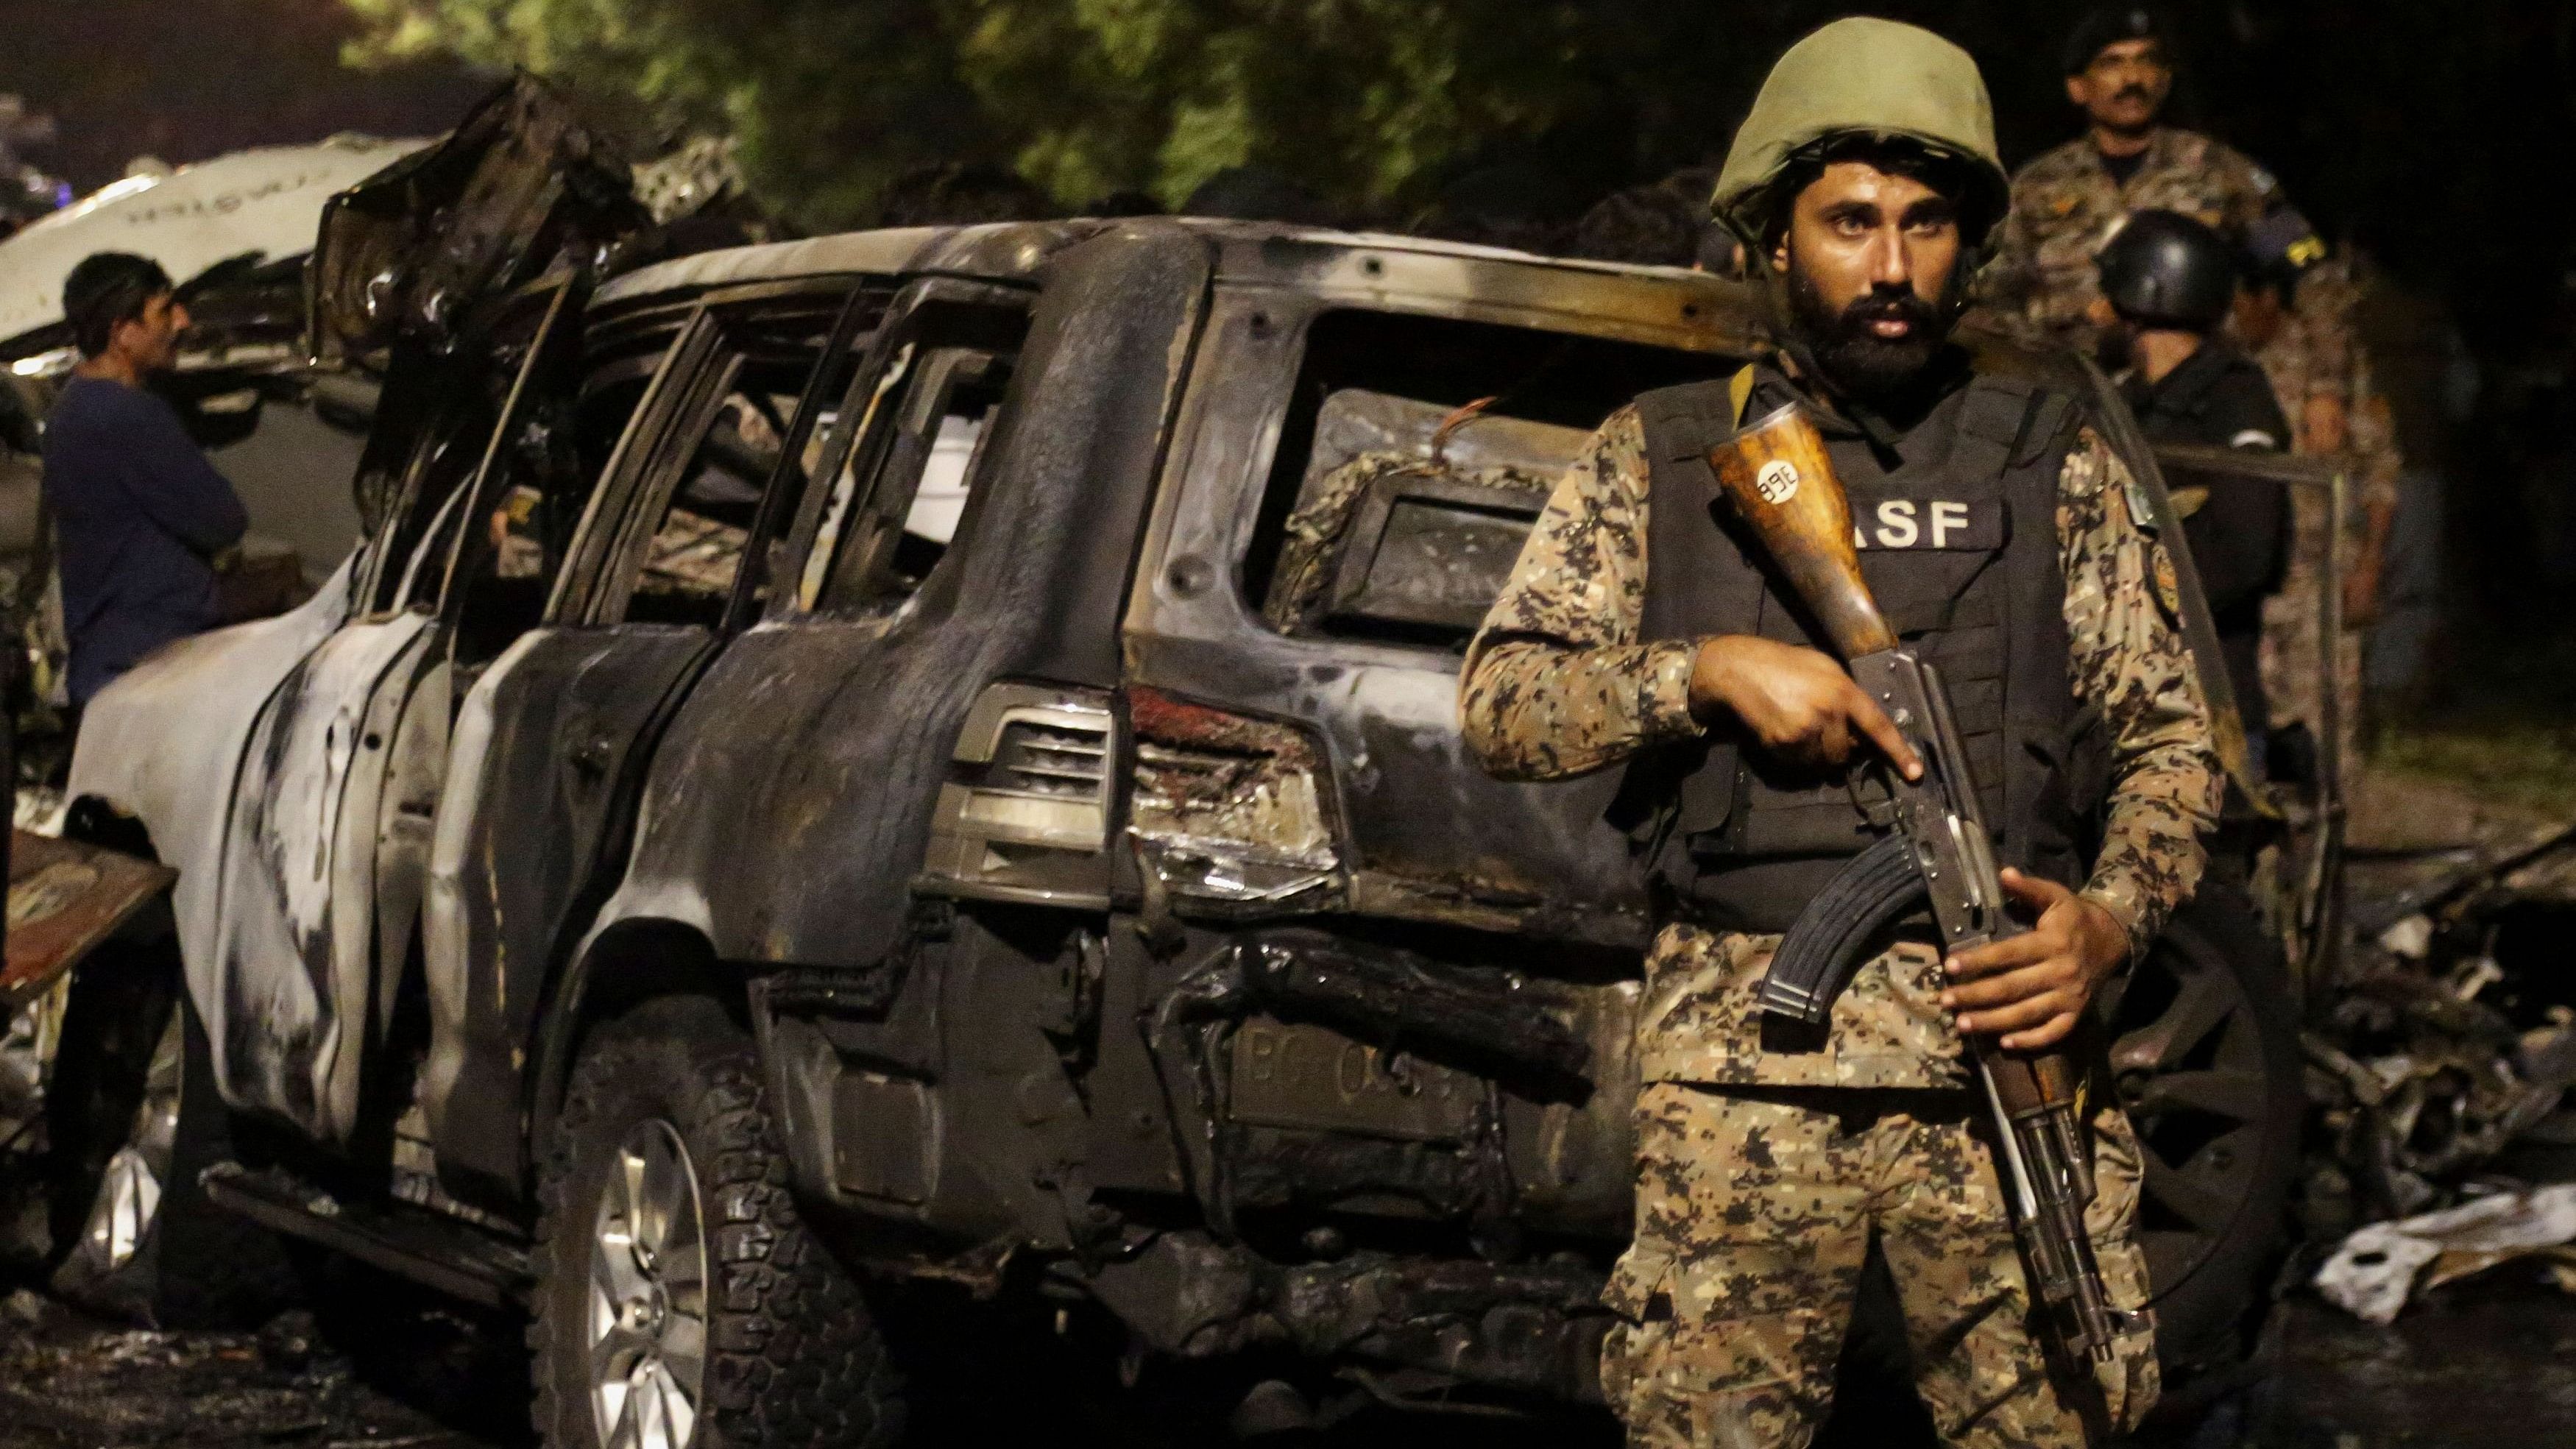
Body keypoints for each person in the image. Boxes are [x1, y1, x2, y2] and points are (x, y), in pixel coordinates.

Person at [1459, 18, 2215, 1445]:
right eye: (1850, 221)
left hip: (2002, 1078)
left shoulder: (2046, 452)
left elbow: (2177, 747)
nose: (1889, 268)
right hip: (1741, 1088)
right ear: (1774, 237)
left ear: (1969, 244)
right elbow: (1500, 699)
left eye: (1925, 225)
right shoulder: (1665, 451)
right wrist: (1703, 674)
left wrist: (2107, 925)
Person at [2097, 209, 2291, 761]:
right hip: (2125, 704)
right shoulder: (2124, 400)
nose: (2097, 314)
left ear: (2143, 299)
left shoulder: (2233, 399)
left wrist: (2129, 597)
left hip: (2207, 707)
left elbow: (2245, 552)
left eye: (2107, 299)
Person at [1983, 6, 2285, 357]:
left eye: (2146, 61)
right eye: (2112, 63)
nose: (2133, 79)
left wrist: (2321, 390)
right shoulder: (2035, 186)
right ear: (2078, 87)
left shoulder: (2219, 169)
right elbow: (1994, 298)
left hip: (2197, 388)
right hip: (2075, 389)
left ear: (2165, 78)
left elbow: (2305, 268)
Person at [41, 252, 248, 707]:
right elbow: (223, 520)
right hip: (155, 669)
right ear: (123, 333)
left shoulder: (72, 407)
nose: (183, 321)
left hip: (110, 666)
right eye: (164, 311)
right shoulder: (127, 413)